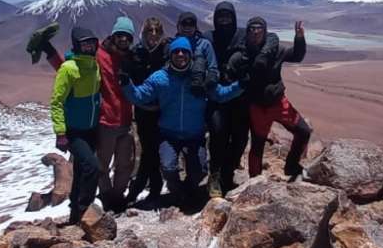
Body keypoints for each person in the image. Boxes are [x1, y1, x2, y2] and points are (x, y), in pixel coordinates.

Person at [120, 37, 244, 208]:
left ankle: (189, 189)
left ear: (190, 55)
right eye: (176, 51)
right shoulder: (160, 78)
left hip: (194, 136)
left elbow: (221, 94)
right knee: (168, 168)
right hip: (168, 135)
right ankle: (179, 193)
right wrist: (126, 83)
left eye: (184, 52)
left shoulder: (200, 78)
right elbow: (139, 95)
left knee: (200, 171)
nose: (180, 55)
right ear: (170, 55)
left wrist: (241, 85)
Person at [36, 17, 138, 212]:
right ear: (113, 35)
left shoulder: (131, 58)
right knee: (101, 166)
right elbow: (70, 67)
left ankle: (118, 197)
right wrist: (49, 50)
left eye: (128, 36)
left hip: (125, 121)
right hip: (106, 122)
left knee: (126, 164)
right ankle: (107, 198)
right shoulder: (98, 55)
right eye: (120, 35)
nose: (124, 39)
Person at [206, 2, 277, 197]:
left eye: (228, 16)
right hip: (217, 96)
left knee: (239, 139)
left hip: (240, 96)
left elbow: (269, 37)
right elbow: (190, 42)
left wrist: (262, 56)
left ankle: (227, 175)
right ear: (215, 18)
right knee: (218, 134)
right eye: (220, 16)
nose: (224, 20)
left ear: (234, 17)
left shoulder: (241, 34)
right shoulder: (208, 37)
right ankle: (214, 176)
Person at [228, 17, 313, 179]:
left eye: (259, 29)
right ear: (247, 32)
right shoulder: (241, 55)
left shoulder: (275, 50)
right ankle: (255, 179)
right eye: (252, 29)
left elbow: (296, 56)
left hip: (279, 103)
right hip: (257, 107)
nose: (255, 32)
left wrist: (299, 38)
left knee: (303, 131)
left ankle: (292, 166)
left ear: (265, 31)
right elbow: (230, 75)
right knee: (258, 145)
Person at [49, 27, 103, 224]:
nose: (89, 46)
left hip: (91, 129)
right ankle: (84, 210)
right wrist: (61, 132)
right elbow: (56, 101)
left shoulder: (94, 65)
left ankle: (74, 217)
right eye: (84, 43)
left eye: (92, 42)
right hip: (74, 131)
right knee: (92, 167)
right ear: (76, 45)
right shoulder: (69, 68)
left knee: (81, 171)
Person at [124, 17, 170, 205]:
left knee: (156, 149)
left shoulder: (167, 52)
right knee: (149, 149)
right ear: (143, 33)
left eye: (157, 32)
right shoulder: (136, 53)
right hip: (143, 110)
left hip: (162, 109)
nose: (153, 36)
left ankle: (143, 188)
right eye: (149, 32)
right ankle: (150, 186)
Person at [175, 12, 218, 97]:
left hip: (200, 87)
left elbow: (213, 68)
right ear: (178, 26)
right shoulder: (173, 44)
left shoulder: (204, 44)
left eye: (191, 24)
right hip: (177, 88)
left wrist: (209, 82)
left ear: (195, 27)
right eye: (184, 24)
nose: (187, 27)